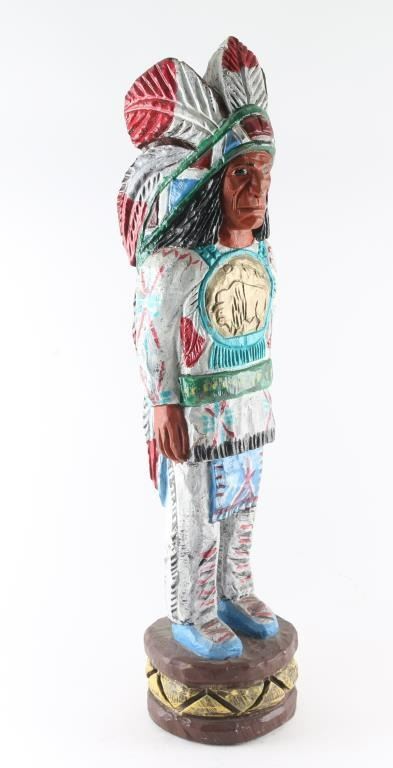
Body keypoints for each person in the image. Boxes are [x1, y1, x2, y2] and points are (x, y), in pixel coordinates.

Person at [118, 37, 279, 659]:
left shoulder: (259, 253)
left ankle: (235, 590)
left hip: (249, 406)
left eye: (264, 173)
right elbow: (151, 327)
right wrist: (164, 403)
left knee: (244, 504)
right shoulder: (179, 259)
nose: (257, 188)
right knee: (199, 515)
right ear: (212, 180)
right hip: (196, 412)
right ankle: (193, 610)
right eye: (241, 173)